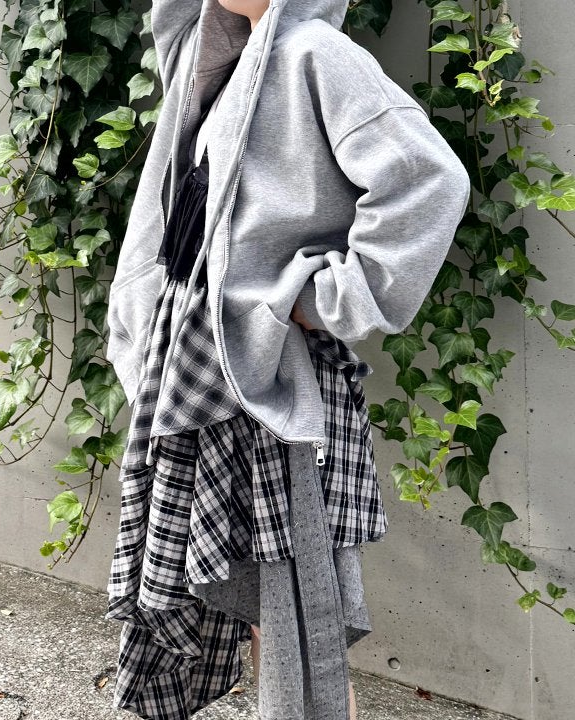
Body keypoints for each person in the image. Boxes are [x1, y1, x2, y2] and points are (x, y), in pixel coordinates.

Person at [105, 1, 471, 719]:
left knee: (295, 610)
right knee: (259, 606)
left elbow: (429, 180)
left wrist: (323, 300)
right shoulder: (214, 58)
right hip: (203, 361)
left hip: (268, 370)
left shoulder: (315, 54)